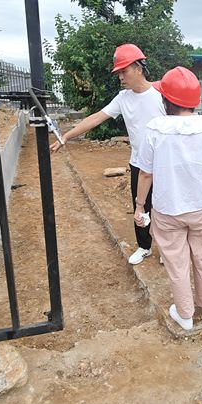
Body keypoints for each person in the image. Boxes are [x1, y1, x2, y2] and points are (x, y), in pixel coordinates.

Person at [50, 43, 165, 265]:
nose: (121, 76)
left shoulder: (161, 93)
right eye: (119, 72)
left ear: (139, 68)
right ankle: (144, 247)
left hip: (165, 164)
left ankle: (166, 250)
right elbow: (95, 118)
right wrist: (66, 137)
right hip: (139, 164)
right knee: (140, 205)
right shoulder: (123, 98)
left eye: (124, 71)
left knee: (165, 208)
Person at [134, 66, 202, 330]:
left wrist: (140, 207)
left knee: (176, 264)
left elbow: (145, 175)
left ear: (165, 100)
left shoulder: (154, 129)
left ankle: (185, 316)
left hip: (167, 211)